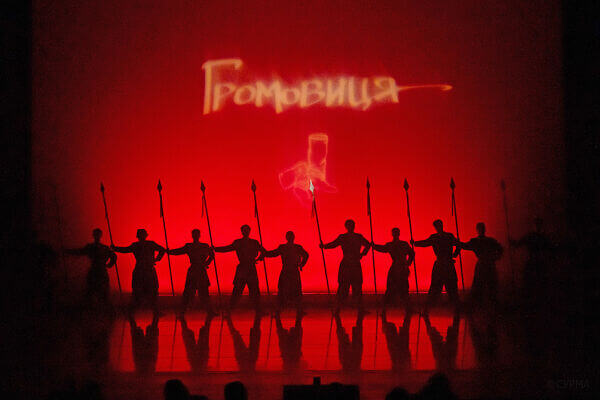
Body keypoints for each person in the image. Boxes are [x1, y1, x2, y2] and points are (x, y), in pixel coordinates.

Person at [112, 229, 166, 317]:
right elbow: (162, 250)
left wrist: (115, 248)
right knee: (149, 290)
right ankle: (152, 311)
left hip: (141, 270)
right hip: (146, 270)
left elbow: (125, 250)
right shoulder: (149, 244)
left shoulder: (137, 245)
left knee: (142, 291)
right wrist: (156, 259)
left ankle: (133, 311)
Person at [321, 219, 371, 312]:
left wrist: (362, 254)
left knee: (355, 285)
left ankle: (355, 308)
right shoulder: (347, 237)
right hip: (349, 263)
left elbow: (368, 245)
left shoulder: (354, 237)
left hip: (351, 263)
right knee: (345, 285)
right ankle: (339, 308)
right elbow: (333, 244)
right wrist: (325, 246)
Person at [214, 225, 266, 312]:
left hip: (250, 268)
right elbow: (227, 248)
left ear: (249, 231)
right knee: (237, 290)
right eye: (244, 230)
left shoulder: (254, 242)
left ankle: (258, 309)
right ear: (242, 231)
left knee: (254, 290)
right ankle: (230, 309)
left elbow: (264, 251)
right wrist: (216, 249)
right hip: (243, 268)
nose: (245, 232)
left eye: (246, 230)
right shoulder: (238, 242)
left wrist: (260, 258)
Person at [412, 220, 460, 314]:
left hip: (445, 265)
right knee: (436, 287)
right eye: (437, 226)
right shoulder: (438, 237)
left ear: (441, 225)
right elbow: (425, 243)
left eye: (439, 225)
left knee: (451, 287)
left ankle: (456, 309)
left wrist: (455, 254)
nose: (438, 227)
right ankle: (427, 310)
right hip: (443, 265)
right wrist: (415, 243)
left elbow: (458, 244)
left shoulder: (448, 236)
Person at [64, 228, 116, 310]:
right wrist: (110, 264)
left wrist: (67, 251)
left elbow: (79, 252)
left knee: (95, 292)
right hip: (99, 271)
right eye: (96, 234)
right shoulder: (102, 248)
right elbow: (114, 256)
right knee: (95, 292)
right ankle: (102, 311)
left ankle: (100, 311)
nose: (97, 236)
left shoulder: (95, 247)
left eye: (97, 234)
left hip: (97, 272)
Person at [167, 229, 215, 317]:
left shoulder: (205, 246)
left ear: (199, 235)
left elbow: (212, 255)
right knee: (188, 292)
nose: (195, 236)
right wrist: (169, 252)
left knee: (204, 292)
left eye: (197, 234)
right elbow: (178, 251)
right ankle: (182, 311)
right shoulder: (189, 246)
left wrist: (206, 263)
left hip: (201, 270)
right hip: (194, 270)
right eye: (194, 234)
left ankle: (210, 311)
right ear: (192, 235)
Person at [458, 222, 503, 306]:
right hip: (484, 264)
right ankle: (480, 302)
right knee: (479, 284)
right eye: (480, 229)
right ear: (478, 230)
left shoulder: (489, 241)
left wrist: (497, 257)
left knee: (490, 283)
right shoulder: (477, 241)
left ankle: (491, 302)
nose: (481, 230)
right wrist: (458, 243)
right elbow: (465, 246)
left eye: (482, 228)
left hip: (487, 264)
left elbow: (500, 248)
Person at [262, 231, 309, 312]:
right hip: (289, 270)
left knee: (292, 289)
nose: (290, 238)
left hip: (289, 270)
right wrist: (265, 253)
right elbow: (273, 253)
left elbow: (273, 253)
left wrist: (265, 253)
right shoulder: (291, 247)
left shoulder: (289, 247)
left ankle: (286, 309)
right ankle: (294, 309)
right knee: (287, 289)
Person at [510, 217, 554, 299]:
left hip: (538, 262)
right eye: (536, 224)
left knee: (538, 281)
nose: (537, 226)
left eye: (538, 224)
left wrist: (513, 243)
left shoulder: (541, 237)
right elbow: (518, 244)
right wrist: (512, 242)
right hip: (535, 262)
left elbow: (551, 248)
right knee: (531, 281)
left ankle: (538, 298)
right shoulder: (533, 236)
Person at [372, 227, 415, 311]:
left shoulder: (402, 244)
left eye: (396, 233)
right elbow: (382, 248)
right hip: (399, 267)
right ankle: (386, 308)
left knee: (401, 288)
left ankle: (407, 307)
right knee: (393, 287)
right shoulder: (395, 244)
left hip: (401, 267)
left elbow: (412, 253)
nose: (395, 234)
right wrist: (374, 246)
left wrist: (408, 262)